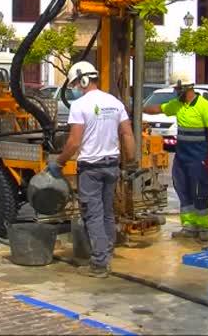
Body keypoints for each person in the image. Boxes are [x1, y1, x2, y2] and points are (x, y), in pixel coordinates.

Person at [48, 61, 136, 278]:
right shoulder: (114, 102)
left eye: (76, 84)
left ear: (83, 80)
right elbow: (127, 134)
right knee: (107, 212)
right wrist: (131, 161)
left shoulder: (80, 106)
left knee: (93, 215)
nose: (75, 88)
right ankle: (106, 254)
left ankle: (99, 264)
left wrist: (58, 163)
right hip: (112, 165)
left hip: (91, 168)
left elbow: (74, 143)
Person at [143, 72, 208, 243]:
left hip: (198, 157)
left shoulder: (204, 107)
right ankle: (189, 226)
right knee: (183, 189)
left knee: (199, 191)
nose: (176, 92)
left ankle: (203, 227)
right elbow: (159, 109)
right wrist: (137, 108)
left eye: (178, 89)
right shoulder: (178, 105)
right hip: (182, 156)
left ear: (186, 88)